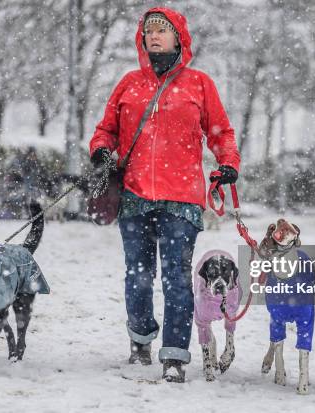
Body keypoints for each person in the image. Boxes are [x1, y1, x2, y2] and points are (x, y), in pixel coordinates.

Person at [89, 7, 240, 382]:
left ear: (179, 38)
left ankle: (174, 355)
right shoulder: (128, 83)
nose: (153, 36)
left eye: (162, 30)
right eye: (148, 31)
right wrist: (101, 150)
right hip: (135, 195)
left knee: (175, 278)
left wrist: (227, 163)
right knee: (138, 277)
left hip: (182, 198)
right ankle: (140, 337)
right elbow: (105, 129)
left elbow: (221, 132)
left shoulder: (199, 84)